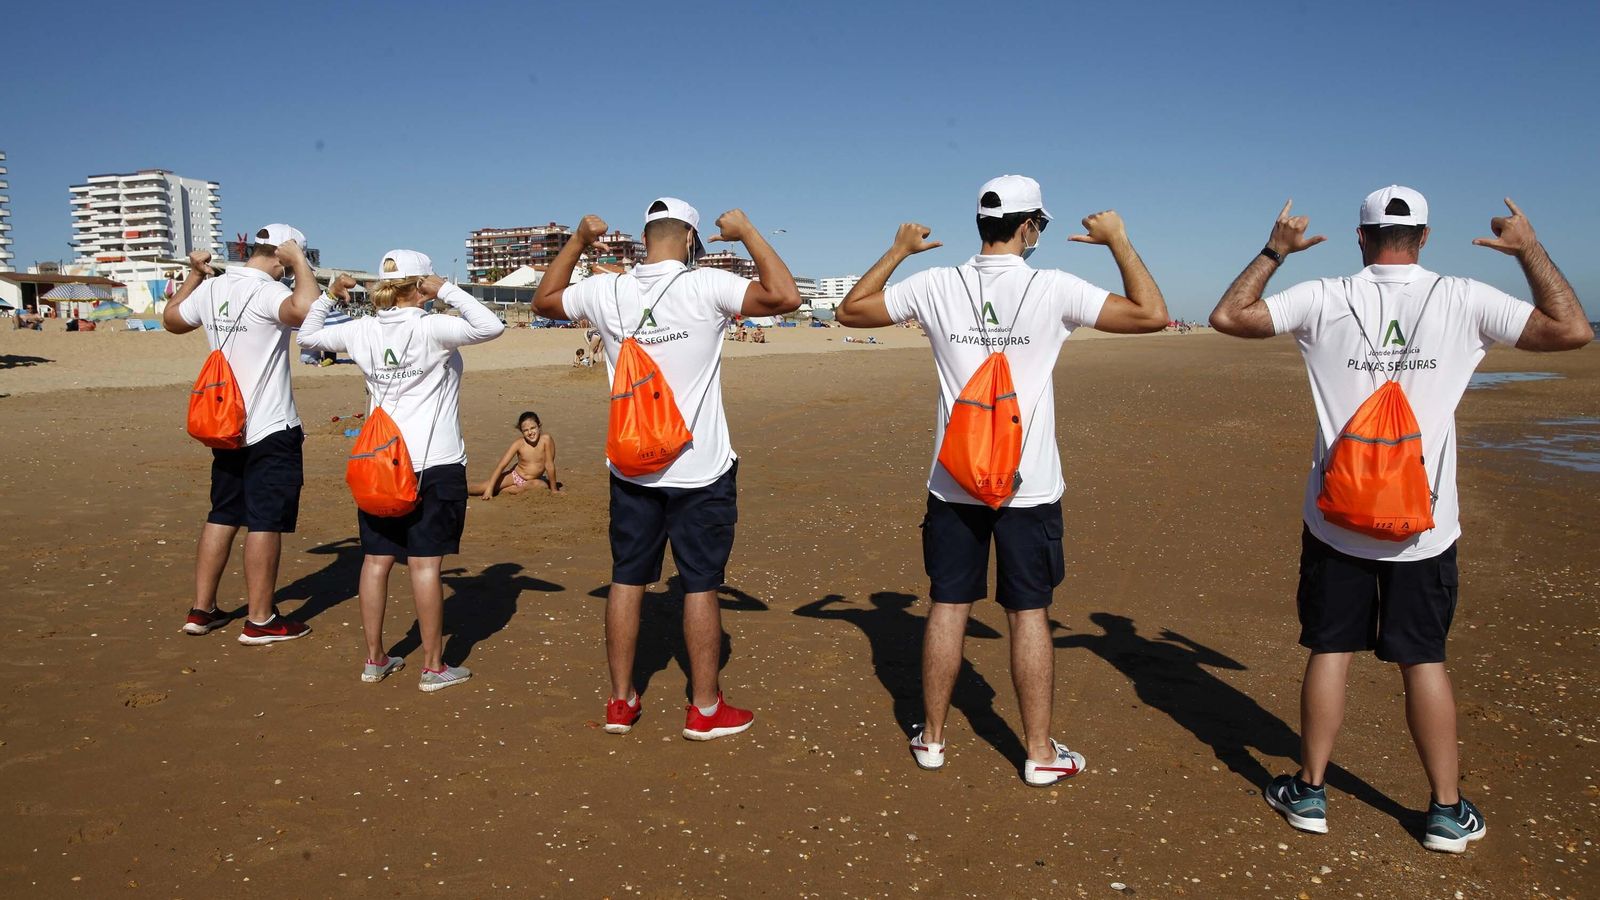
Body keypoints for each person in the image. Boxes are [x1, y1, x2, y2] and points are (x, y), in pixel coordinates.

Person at [1208, 188, 1592, 852]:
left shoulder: (1326, 295)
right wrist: (1528, 250)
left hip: (1337, 520)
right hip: (1425, 527)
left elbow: (1229, 315)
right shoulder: (1463, 298)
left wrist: (1276, 249)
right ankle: (1445, 810)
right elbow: (1572, 330)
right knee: (1424, 660)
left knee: (1331, 650)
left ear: (1361, 237)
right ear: (1425, 236)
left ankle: (1310, 792)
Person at [835, 174, 1169, 786]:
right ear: (1029, 227)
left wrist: (899, 250)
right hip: (1028, 483)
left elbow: (850, 310)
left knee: (947, 605)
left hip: (954, 480)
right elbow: (1152, 314)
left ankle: (933, 738)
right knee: (1029, 613)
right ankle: (1038, 753)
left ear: (981, 224)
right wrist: (1119, 240)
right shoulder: (1054, 287)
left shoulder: (936, 284)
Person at [533, 198, 801, 740]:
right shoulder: (706, 285)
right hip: (699, 467)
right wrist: (748, 230)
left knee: (627, 579)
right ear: (691, 239)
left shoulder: (608, 291)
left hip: (631, 467)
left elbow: (545, 300)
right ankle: (704, 708)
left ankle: (620, 701)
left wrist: (578, 241)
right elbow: (786, 297)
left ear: (645, 237)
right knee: (699, 585)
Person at [298, 249, 503, 691]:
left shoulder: (362, 329)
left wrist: (330, 296)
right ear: (422, 285)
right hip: (434, 463)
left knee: (376, 561)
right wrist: (448, 290)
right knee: (425, 566)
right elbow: (491, 325)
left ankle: (375, 659)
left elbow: (308, 337)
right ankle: (433, 667)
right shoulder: (432, 327)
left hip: (379, 462)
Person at [162, 225, 320, 644]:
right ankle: (261, 619)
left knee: (224, 513)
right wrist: (298, 261)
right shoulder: (268, 291)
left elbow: (172, 320)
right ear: (282, 256)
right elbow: (307, 309)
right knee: (265, 521)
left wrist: (194, 275)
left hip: (225, 422)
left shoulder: (213, 287)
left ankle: (202, 609)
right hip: (269, 424)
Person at [474, 411, 560, 498]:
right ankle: (465, 489)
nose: (530, 432)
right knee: (483, 488)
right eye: (525, 430)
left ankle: (507, 490)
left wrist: (554, 490)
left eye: (533, 428)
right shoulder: (519, 443)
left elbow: (549, 465)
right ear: (521, 431)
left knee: (541, 486)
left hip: (534, 480)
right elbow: (502, 465)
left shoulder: (546, 440)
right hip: (516, 476)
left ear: (539, 426)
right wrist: (489, 489)